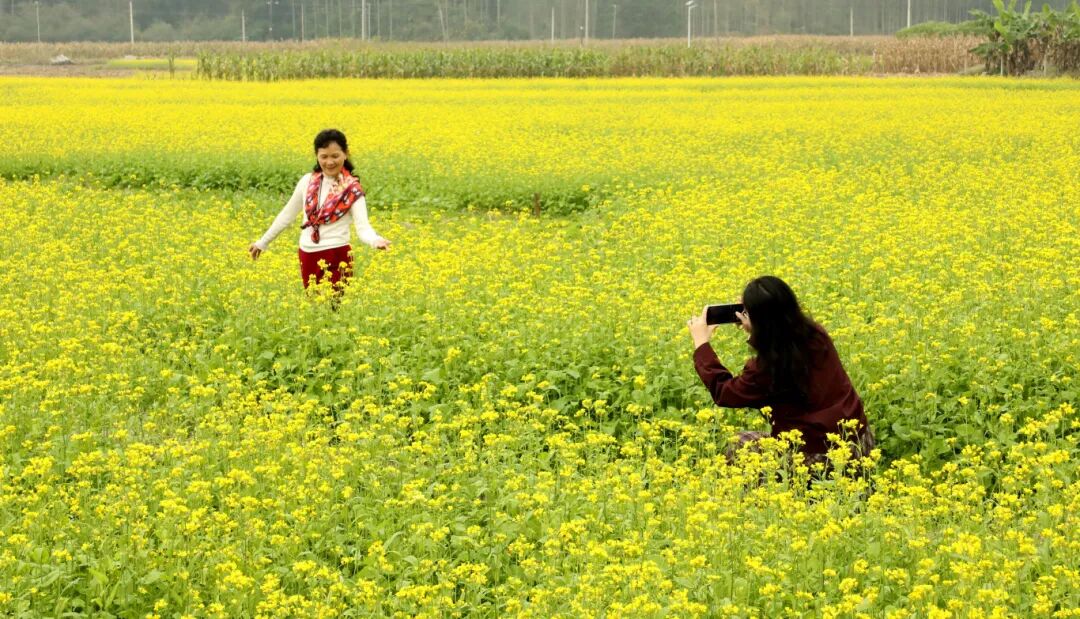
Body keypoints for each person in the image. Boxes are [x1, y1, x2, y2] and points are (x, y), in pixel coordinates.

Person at [687, 276, 874, 471]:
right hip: (860, 442)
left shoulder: (768, 368)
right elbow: (781, 337)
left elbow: (725, 392)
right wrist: (756, 327)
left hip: (822, 457)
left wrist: (701, 344)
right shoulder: (816, 334)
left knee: (741, 445)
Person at [248, 129, 390, 294]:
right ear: (317, 156)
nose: (329, 162)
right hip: (307, 254)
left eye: (335, 156)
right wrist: (263, 242)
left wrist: (375, 240)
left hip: (337, 256)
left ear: (346, 154)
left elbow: (363, 227)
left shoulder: (352, 189)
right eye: (324, 156)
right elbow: (287, 215)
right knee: (315, 309)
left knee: (334, 309)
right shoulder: (307, 181)